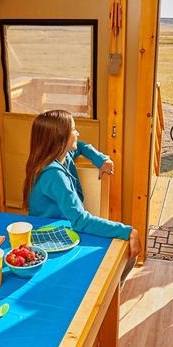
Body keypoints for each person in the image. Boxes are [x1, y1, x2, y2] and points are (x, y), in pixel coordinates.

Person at [24, 109, 140, 258]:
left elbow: (81, 146)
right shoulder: (54, 175)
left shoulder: (61, 155)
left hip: (64, 226)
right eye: (73, 129)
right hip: (49, 237)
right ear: (60, 138)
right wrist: (127, 231)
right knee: (118, 254)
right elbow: (80, 220)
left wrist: (99, 159)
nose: (77, 133)